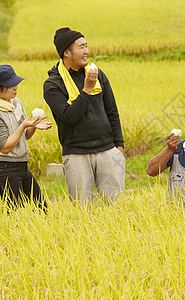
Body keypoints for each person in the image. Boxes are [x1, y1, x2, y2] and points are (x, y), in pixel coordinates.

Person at [43, 27, 125, 206]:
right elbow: (68, 116)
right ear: (66, 52)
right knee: (82, 209)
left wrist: (118, 146)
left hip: (107, 150)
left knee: (116, 207)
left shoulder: (97, 75)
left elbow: (112, 110)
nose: (86, 51)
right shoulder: (52, 85)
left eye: (86, 46)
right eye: (81, 47)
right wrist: (87, 89)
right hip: (76, 154)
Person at [0, 64, 53, 212]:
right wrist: (24, 125)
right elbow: (4, 147)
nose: (15, 87)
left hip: (22, 167)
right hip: (3, 170)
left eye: (15, 83)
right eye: (10, 84)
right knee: (17, 217)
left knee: (43, 210)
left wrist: (33, 125)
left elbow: (25, 136)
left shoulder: (15, 103)